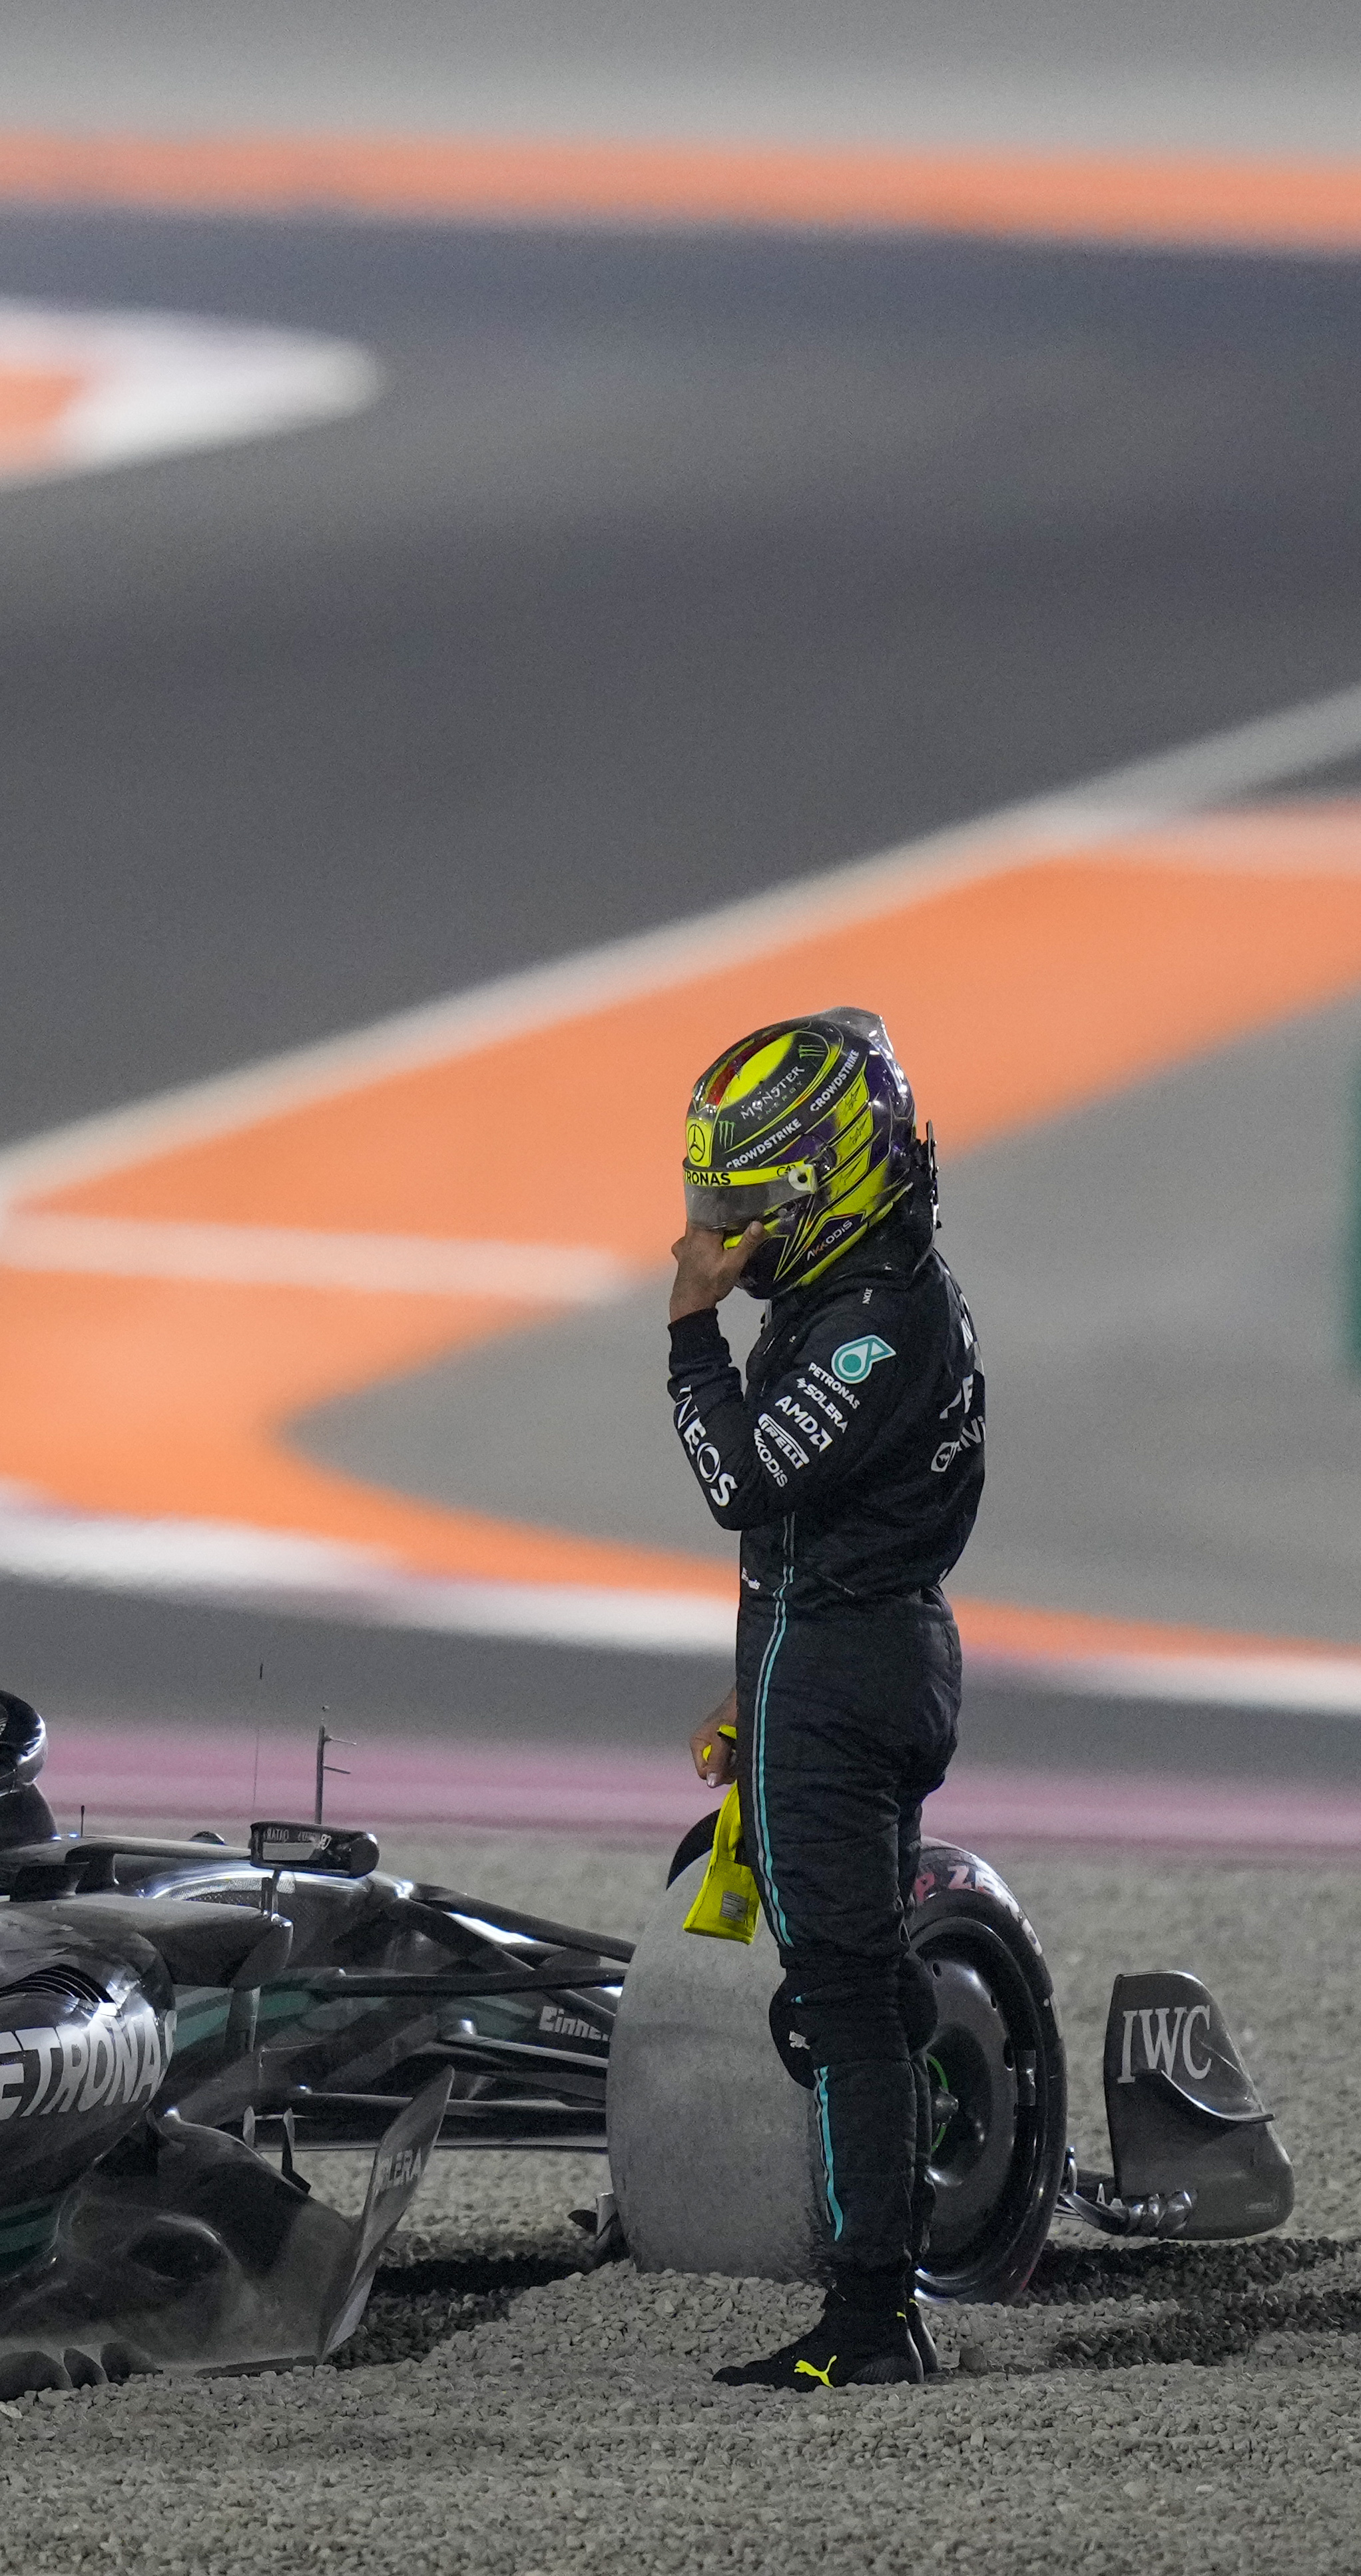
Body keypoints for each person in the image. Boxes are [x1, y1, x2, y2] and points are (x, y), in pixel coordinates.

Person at [662, 1006, 983, 2390]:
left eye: (740, 1207)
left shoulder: (873, 1328)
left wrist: (685, 1337)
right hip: (854, 1655)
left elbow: (742, 1483)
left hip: (844, 1670)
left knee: (842, 1995)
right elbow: (796, 1540)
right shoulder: (878, 1297)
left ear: (820, 1182)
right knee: (860, 1984)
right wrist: (752, 1692)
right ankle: (883, 2285)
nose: (714, 1237)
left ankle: (870, 2316)